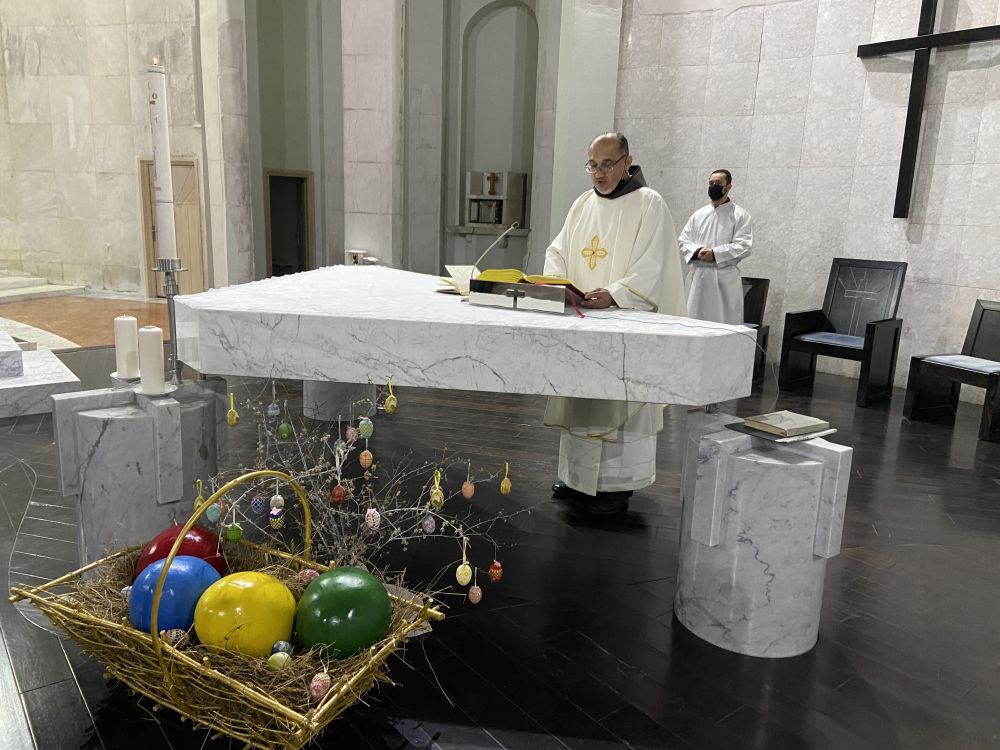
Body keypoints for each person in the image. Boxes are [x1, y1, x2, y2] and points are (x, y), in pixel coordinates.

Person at [542, 132, 687, 515]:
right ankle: (576, 480)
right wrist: (558, 284)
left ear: (627, 161)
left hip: (624, 325)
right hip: (584, 323)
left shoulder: (649, 204)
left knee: (617, 399)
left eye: (607, 164)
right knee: (582, 397)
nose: (599, 172)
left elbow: (653, 266)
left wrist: (616, 293)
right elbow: (558, 251)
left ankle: (616, 487)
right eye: (593, 164)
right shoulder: (582, 204)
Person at [678, 169, 753, 324]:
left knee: (722, 323)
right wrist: (697, 251)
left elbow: (744, 246)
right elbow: (684, 240)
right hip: (697, 278)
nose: (713, 187)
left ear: (728, 187)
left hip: (724, 280)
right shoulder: (698, 215)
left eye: (718, 183)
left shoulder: (740, 215)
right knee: (693, 322)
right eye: (711, 183)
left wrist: (715, 254)